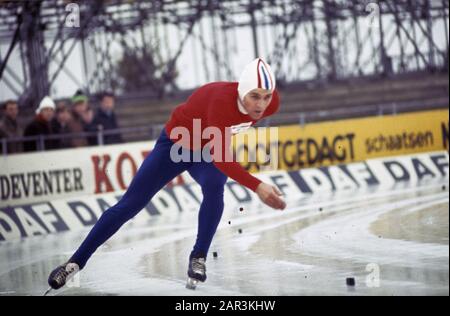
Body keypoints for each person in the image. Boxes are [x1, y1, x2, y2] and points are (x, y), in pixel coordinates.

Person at [47, 58, 286, 291]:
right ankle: (75, 262)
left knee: (214, 189)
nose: (260, 105)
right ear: (242, 90)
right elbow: (222, 158)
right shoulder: (221, 102)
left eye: (266, 97)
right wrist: (257, 186)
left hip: (204, 150)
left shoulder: (271, 102)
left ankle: (199, 256)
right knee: (131, 204)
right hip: (176, 145)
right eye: (254, 96)